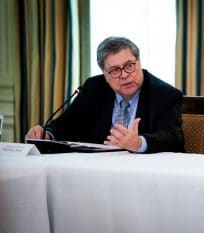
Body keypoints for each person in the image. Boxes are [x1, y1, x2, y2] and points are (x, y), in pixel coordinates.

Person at [25, 36, 184, 153]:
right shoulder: (94, 87)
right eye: (115, 70)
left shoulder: (165, 94)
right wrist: (47, 134)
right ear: (105, 74)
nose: (124, 75)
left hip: (144, 174)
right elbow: (67, 123)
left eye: (129, 66)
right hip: (97, 170)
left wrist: (138, 143)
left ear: (139, 62)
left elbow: (173, 139)